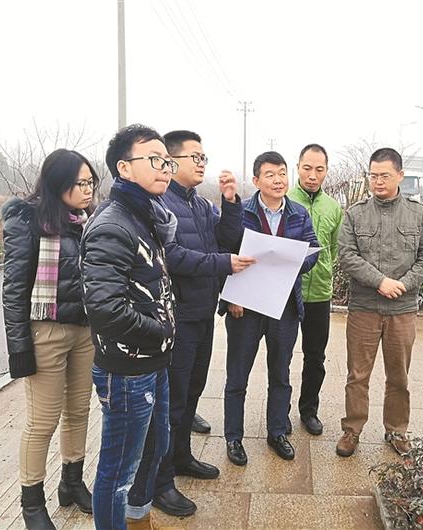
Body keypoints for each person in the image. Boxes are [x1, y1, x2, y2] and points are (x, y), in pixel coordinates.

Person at [126, 129, 254, 517]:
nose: (201, 164)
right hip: (176, 317)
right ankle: (159, 482)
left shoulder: (199, 204)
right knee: (172, 402)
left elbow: (228, 239)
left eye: (203, 158)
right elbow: (173, 256)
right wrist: (223, 264)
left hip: (202, 312)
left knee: (192, 392)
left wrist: (230, 203)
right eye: (194, 157)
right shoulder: (160, 204)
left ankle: (181, 457)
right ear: (171, 161)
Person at [81, 124, 179, 530]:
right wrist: (161, 330)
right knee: (118, 472)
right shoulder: (113, 225)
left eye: (167, 161)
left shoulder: (146, 215)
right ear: (124, 168)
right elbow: (105, 309)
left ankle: (138, 518)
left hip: (152, 360)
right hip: (127, 369)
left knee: (156, 446)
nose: (165, 168)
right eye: (154, 160)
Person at [2, 148, 98, 530]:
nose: (88, 190)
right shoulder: (29, 220)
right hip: (46, 331)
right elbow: (14, 289)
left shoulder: (89, 221)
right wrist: (19, 348)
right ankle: (31, 504)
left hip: (85, 330)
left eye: (91, 182)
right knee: (42, 421)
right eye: (81, 183)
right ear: (58, 184)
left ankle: (71, 483)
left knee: (79, 412)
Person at [336, 147, 423, 457]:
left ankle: (396, 430)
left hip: (402, 310)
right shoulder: (355, 213)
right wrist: (379, 281)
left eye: (385, 175)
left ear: (400, 176)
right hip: (364, 308)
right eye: (373, 176)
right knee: (357, 375)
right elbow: (347, 256)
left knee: (398, 376)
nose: (378, 181)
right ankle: (352, 430)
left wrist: (403, 284)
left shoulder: (418, 214)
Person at [222, 151, 319, 466]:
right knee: (238, 376)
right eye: (270, 175)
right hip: (245, 306)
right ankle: (233, 437)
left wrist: (290, 263)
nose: (278, 180)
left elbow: (312, 251)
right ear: (256, 180)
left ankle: (277, 432)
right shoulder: (241, 212)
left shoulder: (299, 213)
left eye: (282, 173)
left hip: (283, 306)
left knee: (281, 374)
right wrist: (232, 297)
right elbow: (225, 251)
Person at [287, 143, 343, 435]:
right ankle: (278, 412)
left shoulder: (333, 208)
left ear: (326, 171)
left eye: (319, 169)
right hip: (286, 291)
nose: (312, 175)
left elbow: (333, 249)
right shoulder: (283, 200)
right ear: (297, 167)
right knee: (280, 356)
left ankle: (309, 410)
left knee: (315, 357)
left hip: (319, 293)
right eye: (307, 168)